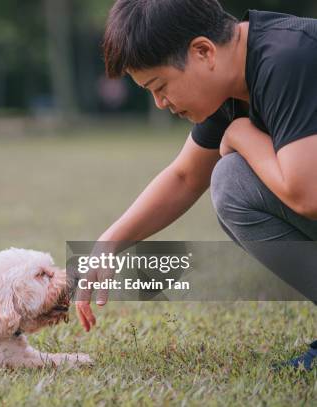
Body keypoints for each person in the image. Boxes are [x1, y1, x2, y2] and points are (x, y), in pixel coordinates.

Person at [76, 0, 317, 370]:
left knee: (231, 178)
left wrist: (241, 135)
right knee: (233, 181)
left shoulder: (288, 58)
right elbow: (185, 176)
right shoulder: (234, 82)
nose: (159, 103)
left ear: (203, 51)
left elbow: (308, 195)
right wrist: (107, 243)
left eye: (160, 86)